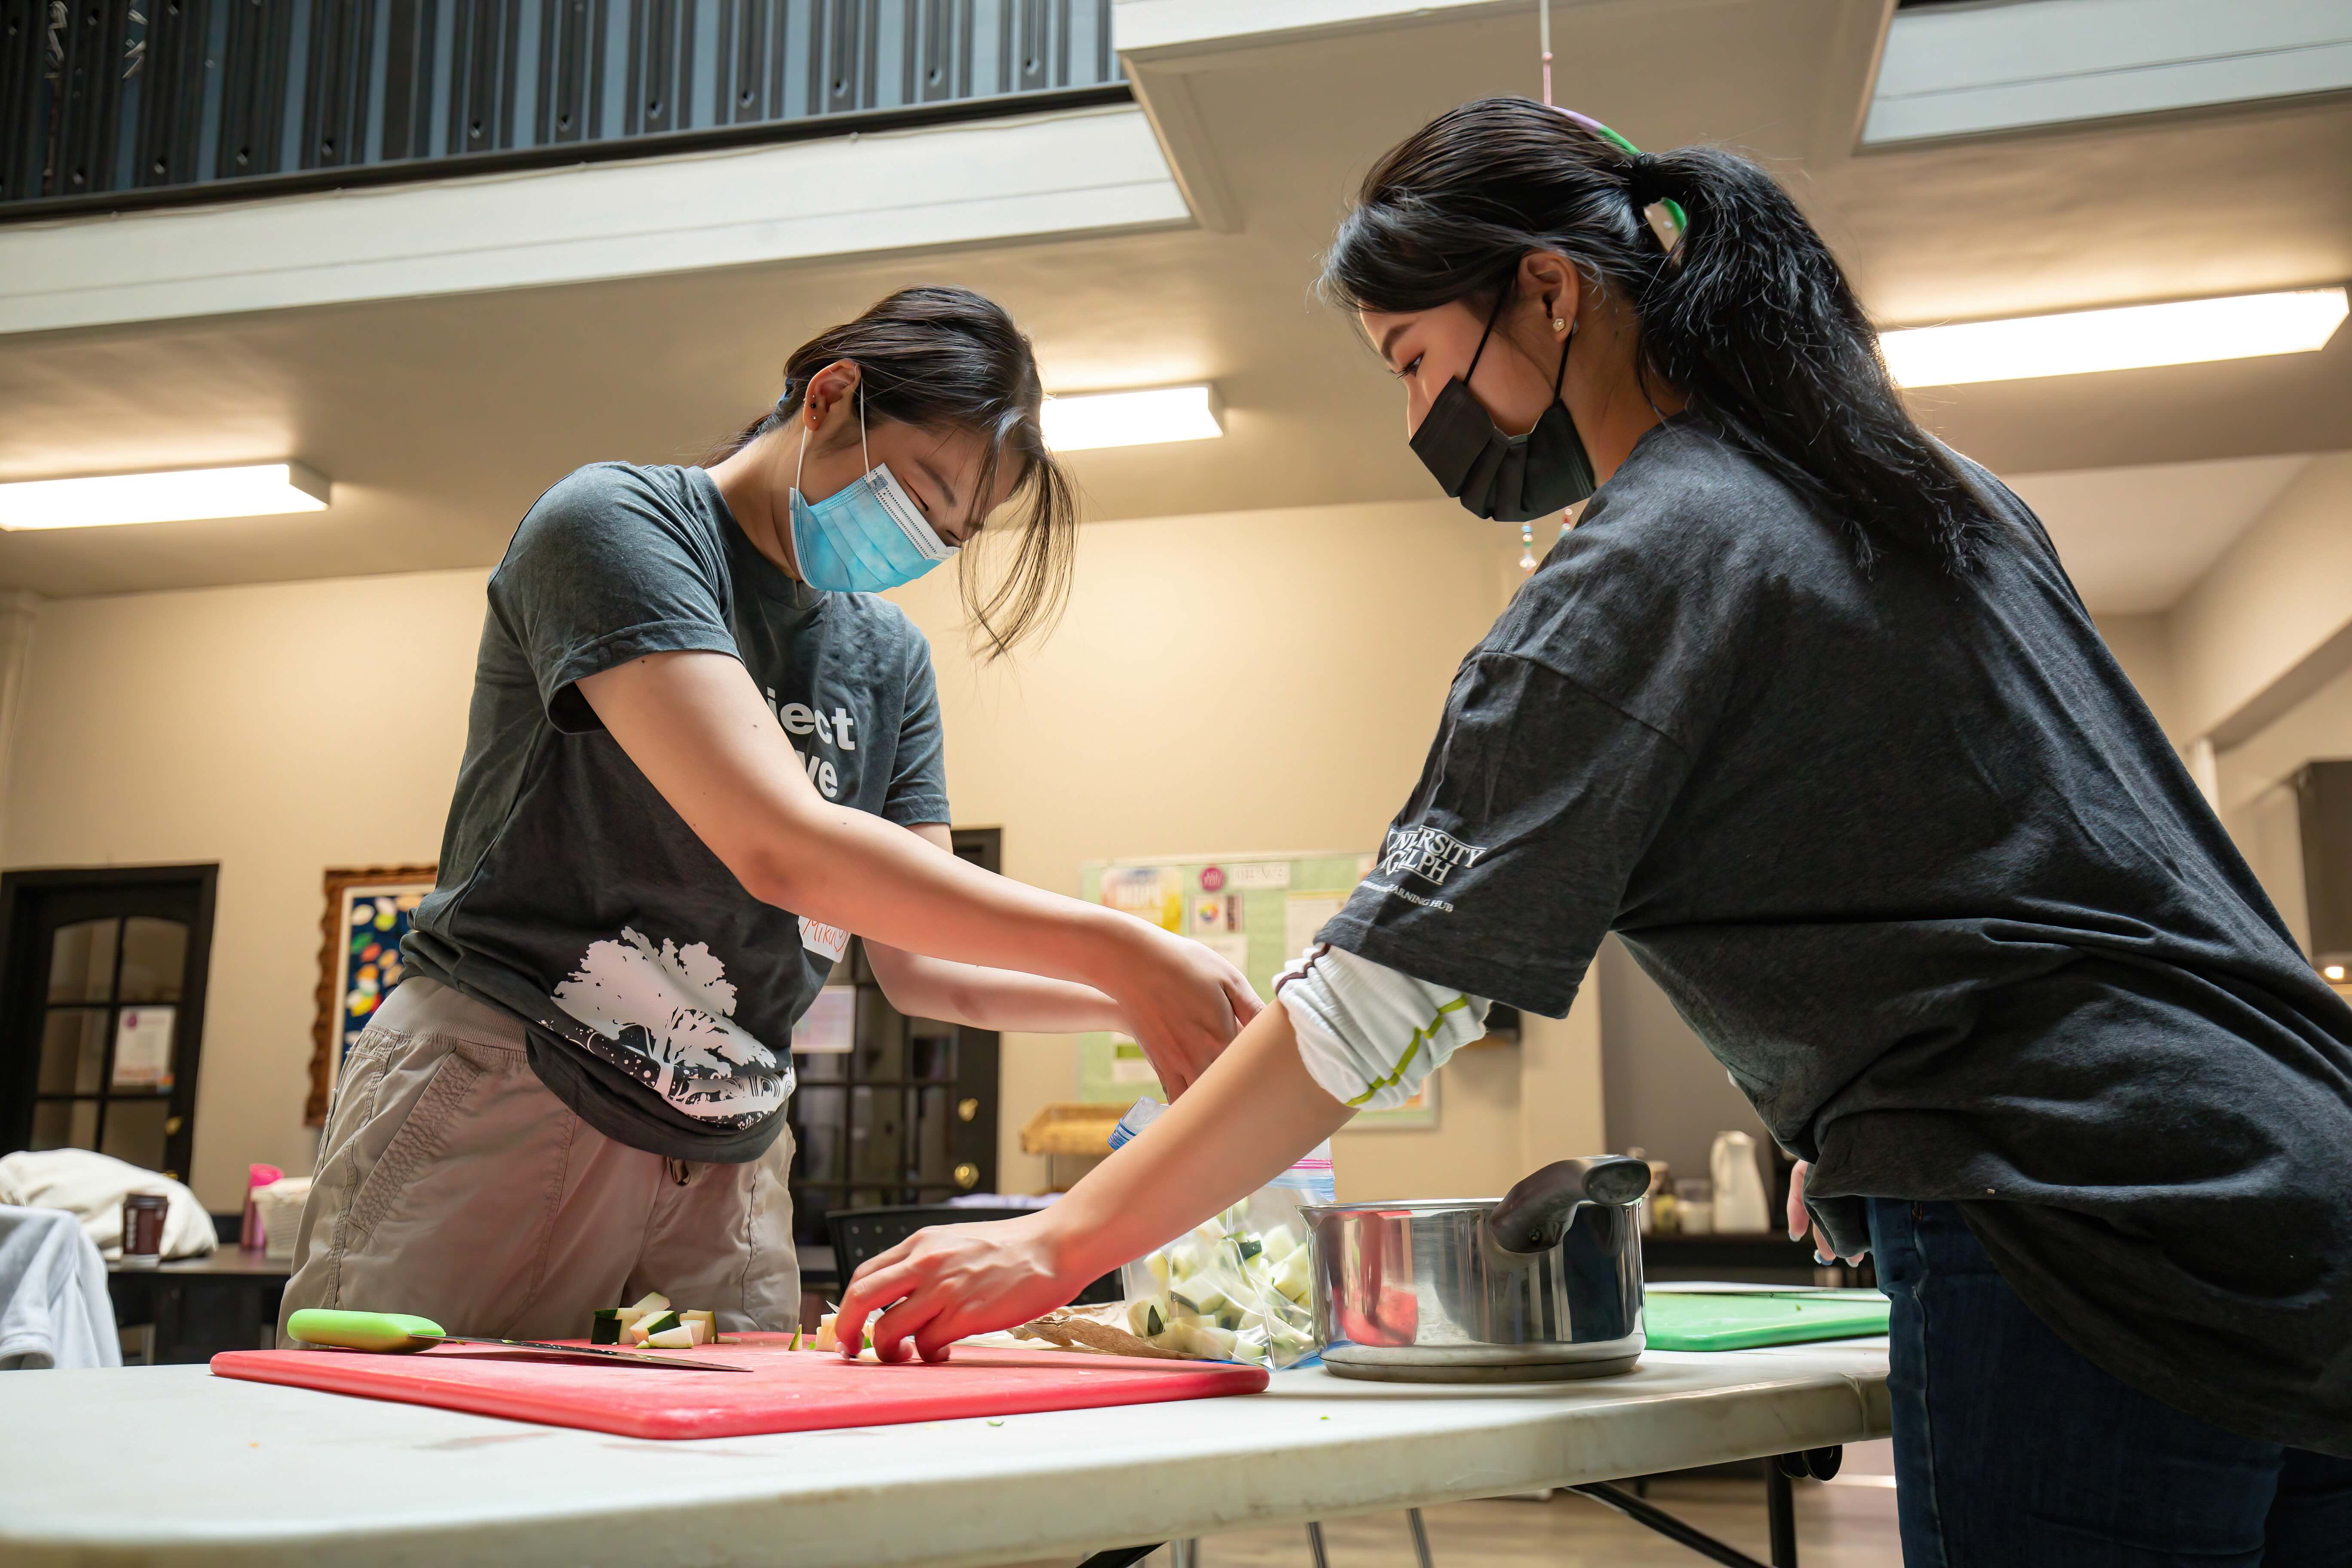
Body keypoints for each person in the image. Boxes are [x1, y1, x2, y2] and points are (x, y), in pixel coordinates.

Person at [835, 104, 2352, 1565]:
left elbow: (1374, 1002)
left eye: (1413, 357)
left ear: (1548, 292)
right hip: (2302, 1164)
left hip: (2079, 1204)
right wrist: (1848, 1107)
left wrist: (1057, 1240)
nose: (1417, 412)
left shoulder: (1645, 559)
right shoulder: (1942, 489)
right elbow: (2029, 857)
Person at [282, 286, 1257, 1344]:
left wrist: (1141, 1004)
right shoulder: (617, 525)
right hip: (511, 1085)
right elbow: (781, 848)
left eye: (949, 530)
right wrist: (1123, 952)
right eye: (918, 492)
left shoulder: (886, 660)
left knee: (725, 1490)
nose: (922, 542)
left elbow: (923, 966)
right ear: (830, 398)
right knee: (417, 1457)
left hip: (733, 1143)